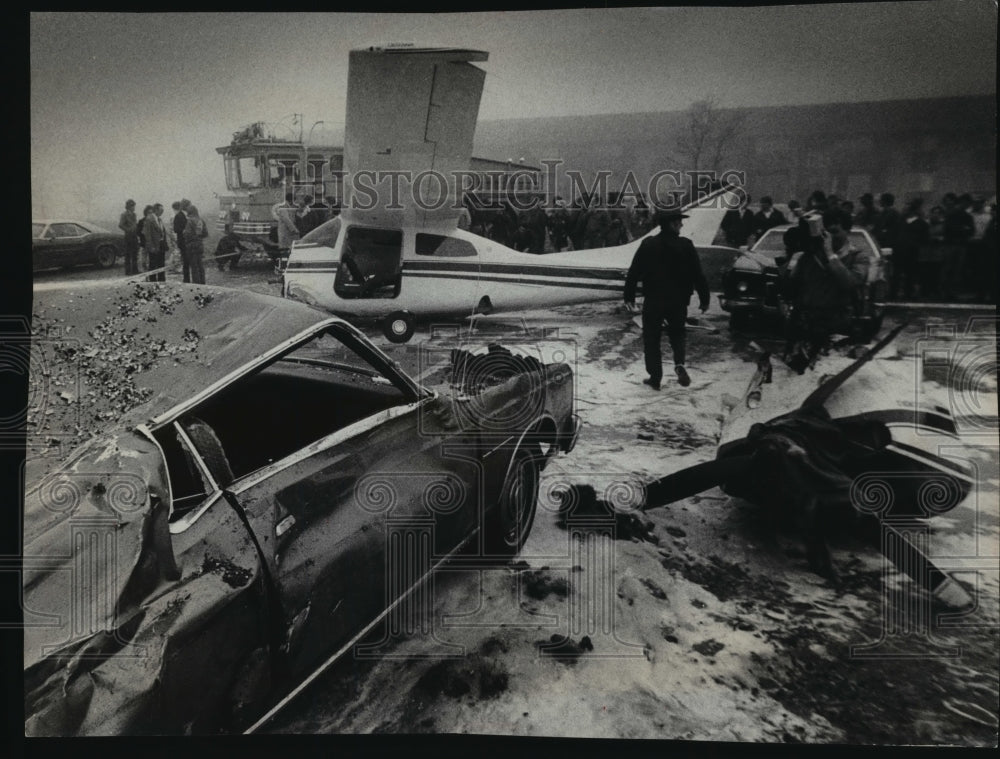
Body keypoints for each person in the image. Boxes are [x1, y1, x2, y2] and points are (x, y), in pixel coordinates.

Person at [624, 208, 710, 389]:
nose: (681, 225)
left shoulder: (648, 244)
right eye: (679, 222)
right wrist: (704, 298)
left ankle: (655, 377)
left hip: (654, 299)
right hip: (678, 300)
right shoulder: (686, 245)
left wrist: (629, 296)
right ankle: (679, 363)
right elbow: (698, 274)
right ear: (671, 224)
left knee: (652, 339)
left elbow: (634, 271)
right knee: (677, 334)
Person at [780, 210, 870, 372]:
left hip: (837, 323)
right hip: (806, 322)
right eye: (827, 233)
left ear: (848, 231)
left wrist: (830, 254)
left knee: (829, 374)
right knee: (794, 375)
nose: (830, 237)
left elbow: (850, 283)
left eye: (835, 232)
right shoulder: (810, 256)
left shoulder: (858, 256)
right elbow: (788, 286)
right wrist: (792, 256)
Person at [892, 198, 929, 300]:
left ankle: (908, 293)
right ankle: (894, 293)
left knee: (910, 273)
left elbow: (925, 239)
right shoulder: (900, 222)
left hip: (912, 252)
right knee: (897, 273)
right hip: (899, 251)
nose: (905, 209)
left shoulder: (921, 224)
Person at [183, 205, 209, 284]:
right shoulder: (200, 220)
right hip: (199, 244)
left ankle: (197, 284)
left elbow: (187, 234)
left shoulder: (190, 221)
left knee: (194, 267)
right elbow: (205, 233)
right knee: (200, 266)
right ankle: (202, 282)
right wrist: (199, 236)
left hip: (191, 245)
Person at [145, 203, 167, 282]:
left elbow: (163, 232)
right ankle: (153, 282)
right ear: (156, 210)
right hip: (154, 246)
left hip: (161, 245)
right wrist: (151, 247)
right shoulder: (149, 219)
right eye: (161, 210)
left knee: (161, 264)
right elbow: (148, 235)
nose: (162, 212)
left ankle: (162, 281)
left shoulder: (159, 219)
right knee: (153, 265)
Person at [118, 199, 139, 275]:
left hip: (134, 236)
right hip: (128, 236)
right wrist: (128, 230)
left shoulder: (134, 215)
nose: (133, 207)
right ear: (128, 206)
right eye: (132, 206)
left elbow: (135, 224)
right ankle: (128, 271)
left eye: (133, 205)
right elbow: (120, 225)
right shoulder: (124, 214)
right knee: (127, 254)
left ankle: (135, 270)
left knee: (135, 253)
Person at [172, 201, 189, 282]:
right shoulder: (181, 215)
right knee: (185, 260)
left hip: (182, 240)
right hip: (184, 241)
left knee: (185, 259)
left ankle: (186, 278)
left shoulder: (179, 215)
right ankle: (186, 278)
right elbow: (177, 229)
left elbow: (175, 229)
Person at [136, 205, 154, 274]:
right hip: (144, 243)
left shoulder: (154, 221)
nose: (150, 214)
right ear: (145, 213)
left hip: (152, 244)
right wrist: (143, 234)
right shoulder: (141, 221)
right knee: (143, 261)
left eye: (151, 213)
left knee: (151, 261)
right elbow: (138, 232)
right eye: (149, 212)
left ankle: (150, 274)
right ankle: (145, 273)